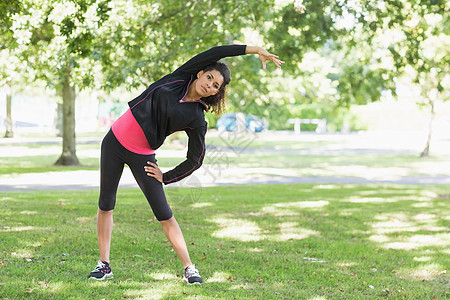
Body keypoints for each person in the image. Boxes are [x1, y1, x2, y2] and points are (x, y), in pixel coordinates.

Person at [88, 44, 284, 284]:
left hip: (143, 154)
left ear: (216, 92)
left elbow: (196, 159)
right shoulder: (181, 76)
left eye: (215, 86)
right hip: (114, 142)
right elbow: (216, 52)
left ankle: (189, 268)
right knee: (106, 204)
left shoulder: (197, 118)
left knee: (164, 213)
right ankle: (104, 264)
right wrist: (254, 50)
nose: (209, 84)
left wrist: (166, 176)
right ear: (201, 73)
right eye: (209, 77)